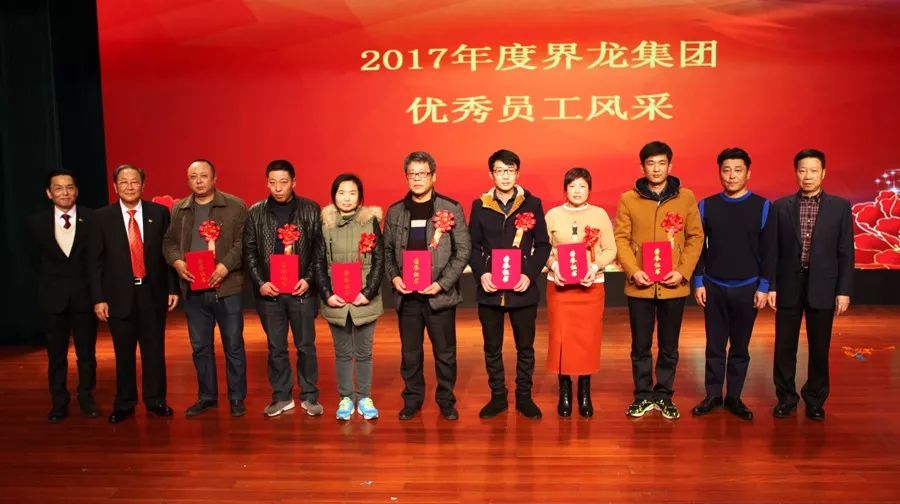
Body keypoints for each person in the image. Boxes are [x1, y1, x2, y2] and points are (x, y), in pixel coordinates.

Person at [614, 141, 704, 420]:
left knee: (669, 346)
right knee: (640, 346)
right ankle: (642, 395)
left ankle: (664, 395)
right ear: (642, 167)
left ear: (670, 166)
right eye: (650, 163)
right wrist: (632, 270)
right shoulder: (628, 199)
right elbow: (621, 239)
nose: (656, 169)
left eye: (661, 163)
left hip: (673, 284)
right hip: (639, 285)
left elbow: (695, 236)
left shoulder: (685, 197)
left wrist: (682, 271)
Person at [383, 151, 471, 421]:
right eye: (412, 174)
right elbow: (387, 251)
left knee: (445, 353)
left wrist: (442, 284)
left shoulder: (450, 208)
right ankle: (412, 400)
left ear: (434, 176)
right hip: (407, 295)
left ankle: (446, 400)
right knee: (410, 354)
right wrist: (394, 277)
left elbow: (463, 250)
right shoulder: (396, 211)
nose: (417, 179)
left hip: (438, 296)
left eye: (422, 174)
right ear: (406, 177)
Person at [88, 164, 179, 423]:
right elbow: (95, 262)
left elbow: (167, 254)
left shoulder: (159, 213)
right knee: (123, 353)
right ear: (115, 187)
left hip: (152, 292)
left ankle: (156, 400)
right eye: (124, 182)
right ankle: (125, 403)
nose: (129, 186)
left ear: (143, 185)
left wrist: (172, 288)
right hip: (118, 296)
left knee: (154, 351)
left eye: (134, 181)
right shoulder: (101, 217)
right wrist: (99, 298)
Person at [768, 148, 853, 421]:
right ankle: (786, 398)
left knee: (819, 348)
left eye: (813, 170)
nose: (808, 176)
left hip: (823, 286)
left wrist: (843, 290)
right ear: (796, 173)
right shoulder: (780, 207)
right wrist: (771, 286)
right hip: (788, 284)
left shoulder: (840, 207)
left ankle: (815, 399)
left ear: (823, 173)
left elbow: (845, 252)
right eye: (802, 170)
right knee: (784, 347)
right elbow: (773, 251)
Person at [691, 148, 774, 421]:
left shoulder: (763, 206)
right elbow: (698, 248)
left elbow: (769, 251)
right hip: (713, 286)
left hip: (748, 287)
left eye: (738, 170)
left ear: (748, 173)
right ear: (719, 173)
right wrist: (699, 280)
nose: (732, 175)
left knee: (740, 347)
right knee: (714, 345)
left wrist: (764, 286)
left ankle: (734, 397)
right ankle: (713, 395)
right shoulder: (706, 206)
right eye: (726, 170)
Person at [162, 159, 249, 417]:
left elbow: (243, 242)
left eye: (204, 175)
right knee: (200, 347)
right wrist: (177, 262)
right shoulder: (179, 208)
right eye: (193, 177)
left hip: (227, 288)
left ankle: (236, 397)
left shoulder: (235, 205)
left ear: (214, 178)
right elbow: (168, 242)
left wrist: (225, 266)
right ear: (188, 180)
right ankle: (207, 396)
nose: (199, 181)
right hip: (193, 289)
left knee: (233, 346)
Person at [469, 149, 551, 420]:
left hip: (522, 289)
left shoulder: (532, 203)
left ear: (517, 173)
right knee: (492, 347)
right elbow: (473, 246)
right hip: (490, 289)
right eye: (499, 171)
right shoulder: (480, 205)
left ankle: (524, 397)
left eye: (510, 170)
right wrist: (482, 274)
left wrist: (529, 274)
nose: (505, 176)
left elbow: (543, 245)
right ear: (491, 174)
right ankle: (498, 397)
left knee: (525, 347)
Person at [243, 160, 326, 418]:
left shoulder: (310, 209)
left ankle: (310, 395)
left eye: (283, 182)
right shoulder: (255, 212)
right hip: (271, 293)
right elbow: (249, 252)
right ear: (267, 183)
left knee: (306, 346)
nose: (278, 188)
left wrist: (308, 279)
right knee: (276, 347)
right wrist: (260, 282)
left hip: (302, 291)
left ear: (293, 182)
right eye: (273, 182)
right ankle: (281, 396)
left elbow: (319, 251)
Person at [544, 167, 616, 418]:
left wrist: (595, 267)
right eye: (572, 186)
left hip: (590, 286)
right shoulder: (553, 215)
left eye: (582, 186)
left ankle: (585, 392)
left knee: (588, 339)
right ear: (565, 189)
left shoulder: (599, 214)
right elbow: (543, 249)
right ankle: (564, 392)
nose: (577, 191)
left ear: (589, 189)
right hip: (560, 286)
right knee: (561, 339)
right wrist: (554, 266)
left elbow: (611, 249)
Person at [29, 169, 98, 422]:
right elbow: (33, 262)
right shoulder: (36, 223)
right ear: (49, 193)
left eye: (69, 187)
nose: (65, 192)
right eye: (58, 188)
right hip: (53, 299)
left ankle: (86, 397)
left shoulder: (92, 218)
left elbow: (96, 260)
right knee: (56, 355)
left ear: (76, 191)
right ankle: (59, 402)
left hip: (84, 298)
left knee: (86, 354)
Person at [315, 174, 385, 421]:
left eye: (352, 193)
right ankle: (345, 397)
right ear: (334, 196)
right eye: (341, 193)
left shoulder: (370, 221)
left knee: (364, 352)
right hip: (336, 299)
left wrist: (368, 292)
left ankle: (364, 397)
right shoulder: (324, 223)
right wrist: (327, 294)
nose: (346, 198)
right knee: (343, 352)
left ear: (360, 196)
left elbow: (379, 260)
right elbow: (318, 262)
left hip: (364, 298)